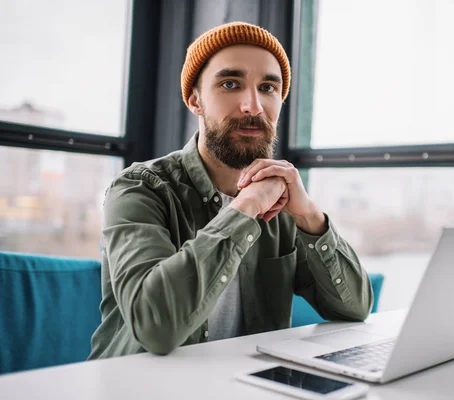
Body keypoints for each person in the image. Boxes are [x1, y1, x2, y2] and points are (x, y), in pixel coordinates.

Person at [88, 21, 373, 359]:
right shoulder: (139, 189)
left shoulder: (282, 203)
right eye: (230, 83)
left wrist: (310, 216)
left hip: (245, 386)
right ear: (195, 99)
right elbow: (156, 326)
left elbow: (355, 308)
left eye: (268, 87)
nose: (253, 106)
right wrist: (245, 207)